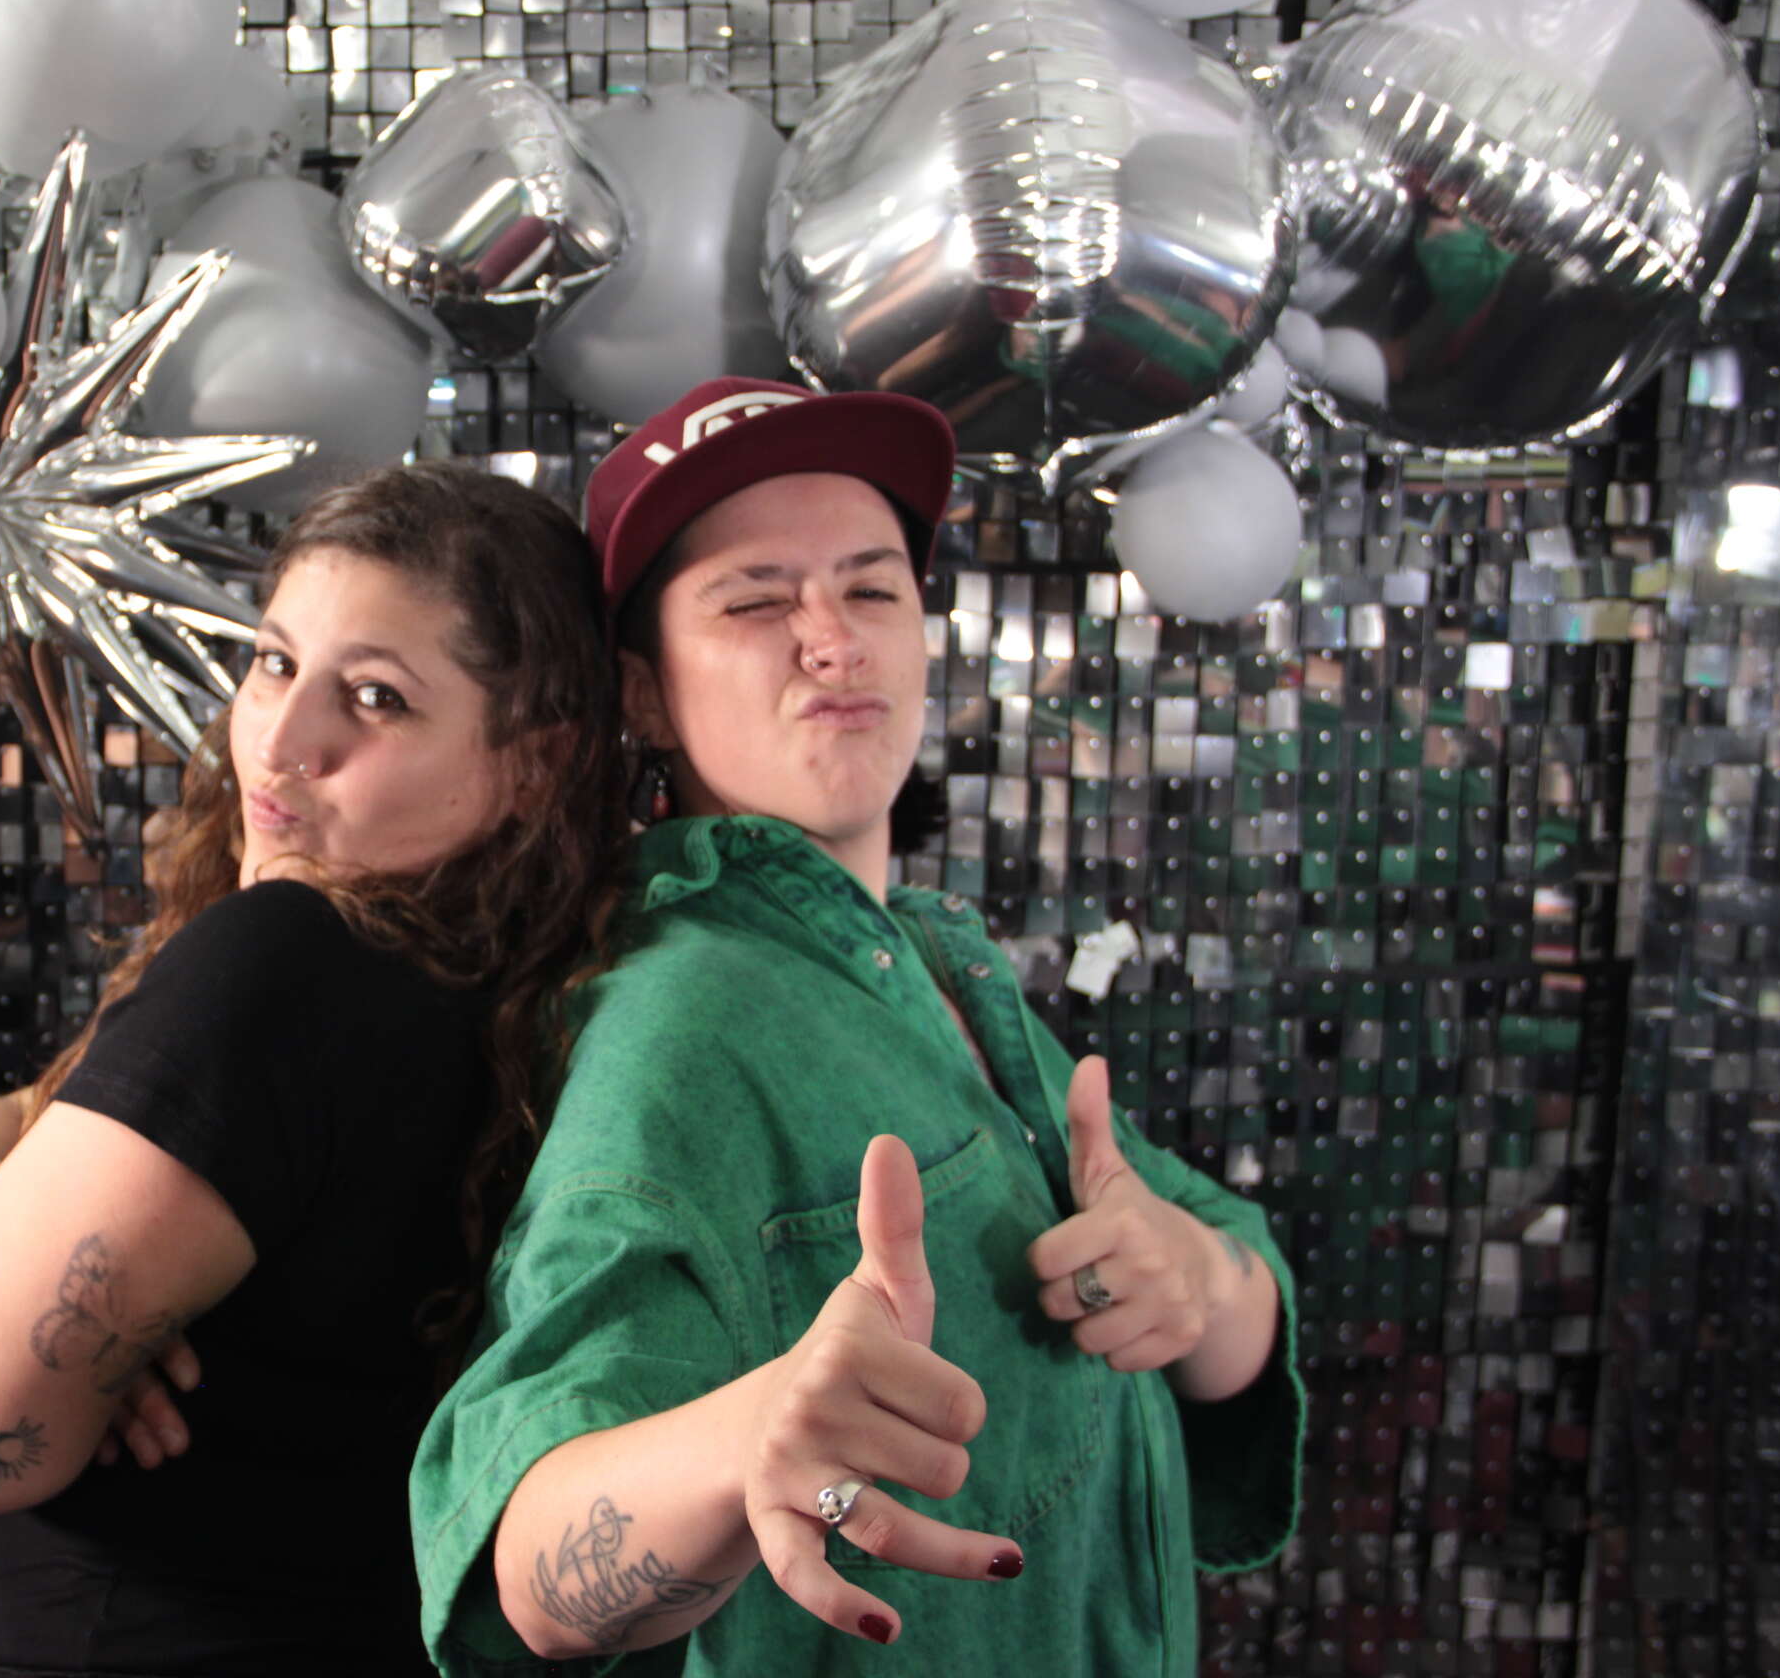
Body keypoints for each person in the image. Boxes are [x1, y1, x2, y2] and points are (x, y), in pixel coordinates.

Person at [410, 379, 1307, 1675]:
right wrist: (741, 1445)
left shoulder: (936, 965)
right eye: (755, 600)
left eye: (873, 589)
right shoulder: (681, 1022)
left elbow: (1233, 1298)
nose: (833, 641)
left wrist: (1196, 1280)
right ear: (644, 696)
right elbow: (531, 1571)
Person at [0, 461, 626, 1677]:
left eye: (376, 698)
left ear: (535, 763)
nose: (280, 742)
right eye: (275, 663)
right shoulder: (530, 989)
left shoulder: (286, 962)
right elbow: (11, 1113)